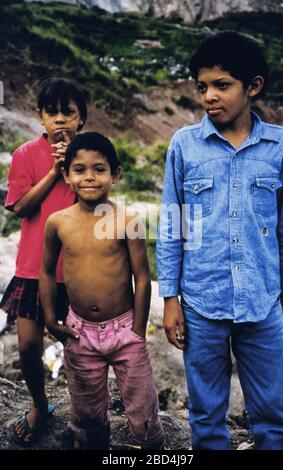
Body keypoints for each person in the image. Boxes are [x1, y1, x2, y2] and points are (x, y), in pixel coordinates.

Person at [156, 31, 283, 450]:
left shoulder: (280, 146)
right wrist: (170, 299)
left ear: (252, 87)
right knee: (206, 416)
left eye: (222, 85)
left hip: (263, 300)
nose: (209, 97)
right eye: (202, 87)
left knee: (273, 417)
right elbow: (171, 224)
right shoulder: (184, 145)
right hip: (201, 301)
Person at [39, 132, 164, 450]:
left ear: (116, 174)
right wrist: (52, 319)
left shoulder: (128, 220)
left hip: (125, 331)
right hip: (79, 332)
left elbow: (143, 277)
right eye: (79, 169)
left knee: (143, 412)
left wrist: (137, 330)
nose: (89, 177)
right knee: (88, 414)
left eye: (99, 169)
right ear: (66, 175)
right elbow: (46, 273)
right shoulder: (58, 222)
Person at [0, 78, 87, 445]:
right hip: (33, 270)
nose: (60, 120)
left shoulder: (87, 156)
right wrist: (54, 171)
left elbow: (97, 201)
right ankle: (39, 404)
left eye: (68, 112)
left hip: (79, 270)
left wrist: (73, 165)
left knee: (81, 352)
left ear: (81, 118)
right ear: (40, 117)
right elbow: (20, 206)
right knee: (27, 347)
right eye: (52, 112)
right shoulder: (25, 155)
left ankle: (84, 417)